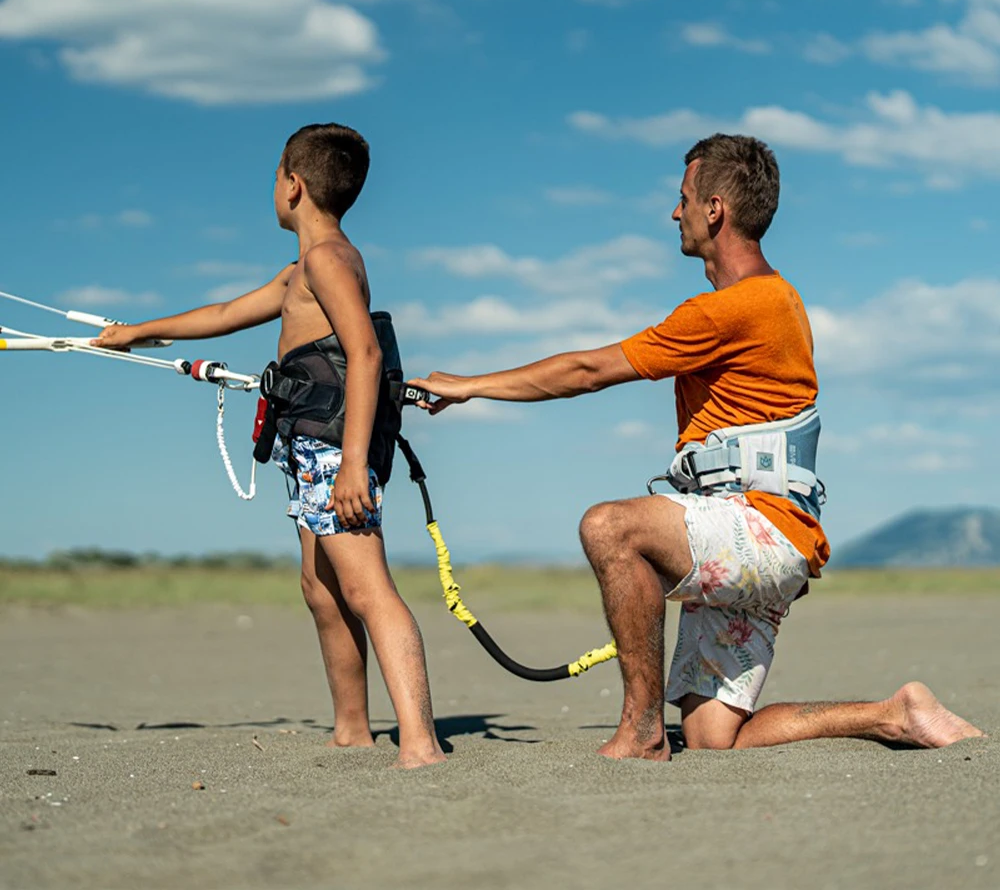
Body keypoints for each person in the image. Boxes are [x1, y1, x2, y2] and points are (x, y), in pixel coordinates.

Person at [410, 133, 983, 761]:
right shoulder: (778, 299)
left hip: (757, 530)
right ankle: (896, 714)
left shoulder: (738, 307)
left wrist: (467, 387)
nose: (672, 213)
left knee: (610, 528)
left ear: (715, 209)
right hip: (763, 536)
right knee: (714, 737)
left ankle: (640, 730)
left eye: (682, 198)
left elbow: (587, 371)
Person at [92, 123, 445, 768]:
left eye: (273, 177)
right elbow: (225, 313)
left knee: (369, 589)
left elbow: (363, 353)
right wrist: (137, 332)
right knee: (320, 587)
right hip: (307, 446)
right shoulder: (302, 269)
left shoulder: (330, 260)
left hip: (339, 450)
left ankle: (420, 746)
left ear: (292, 184)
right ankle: (352, 729)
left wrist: (355, 467)